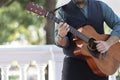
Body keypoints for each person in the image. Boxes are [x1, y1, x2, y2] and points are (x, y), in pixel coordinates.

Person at [54, 0, 120, 80]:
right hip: (74, 69)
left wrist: (108, 43)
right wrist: (61, 36)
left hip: (100, 65)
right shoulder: (62, 11)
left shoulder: (101, 7)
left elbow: (118, 25)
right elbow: (62, 43)